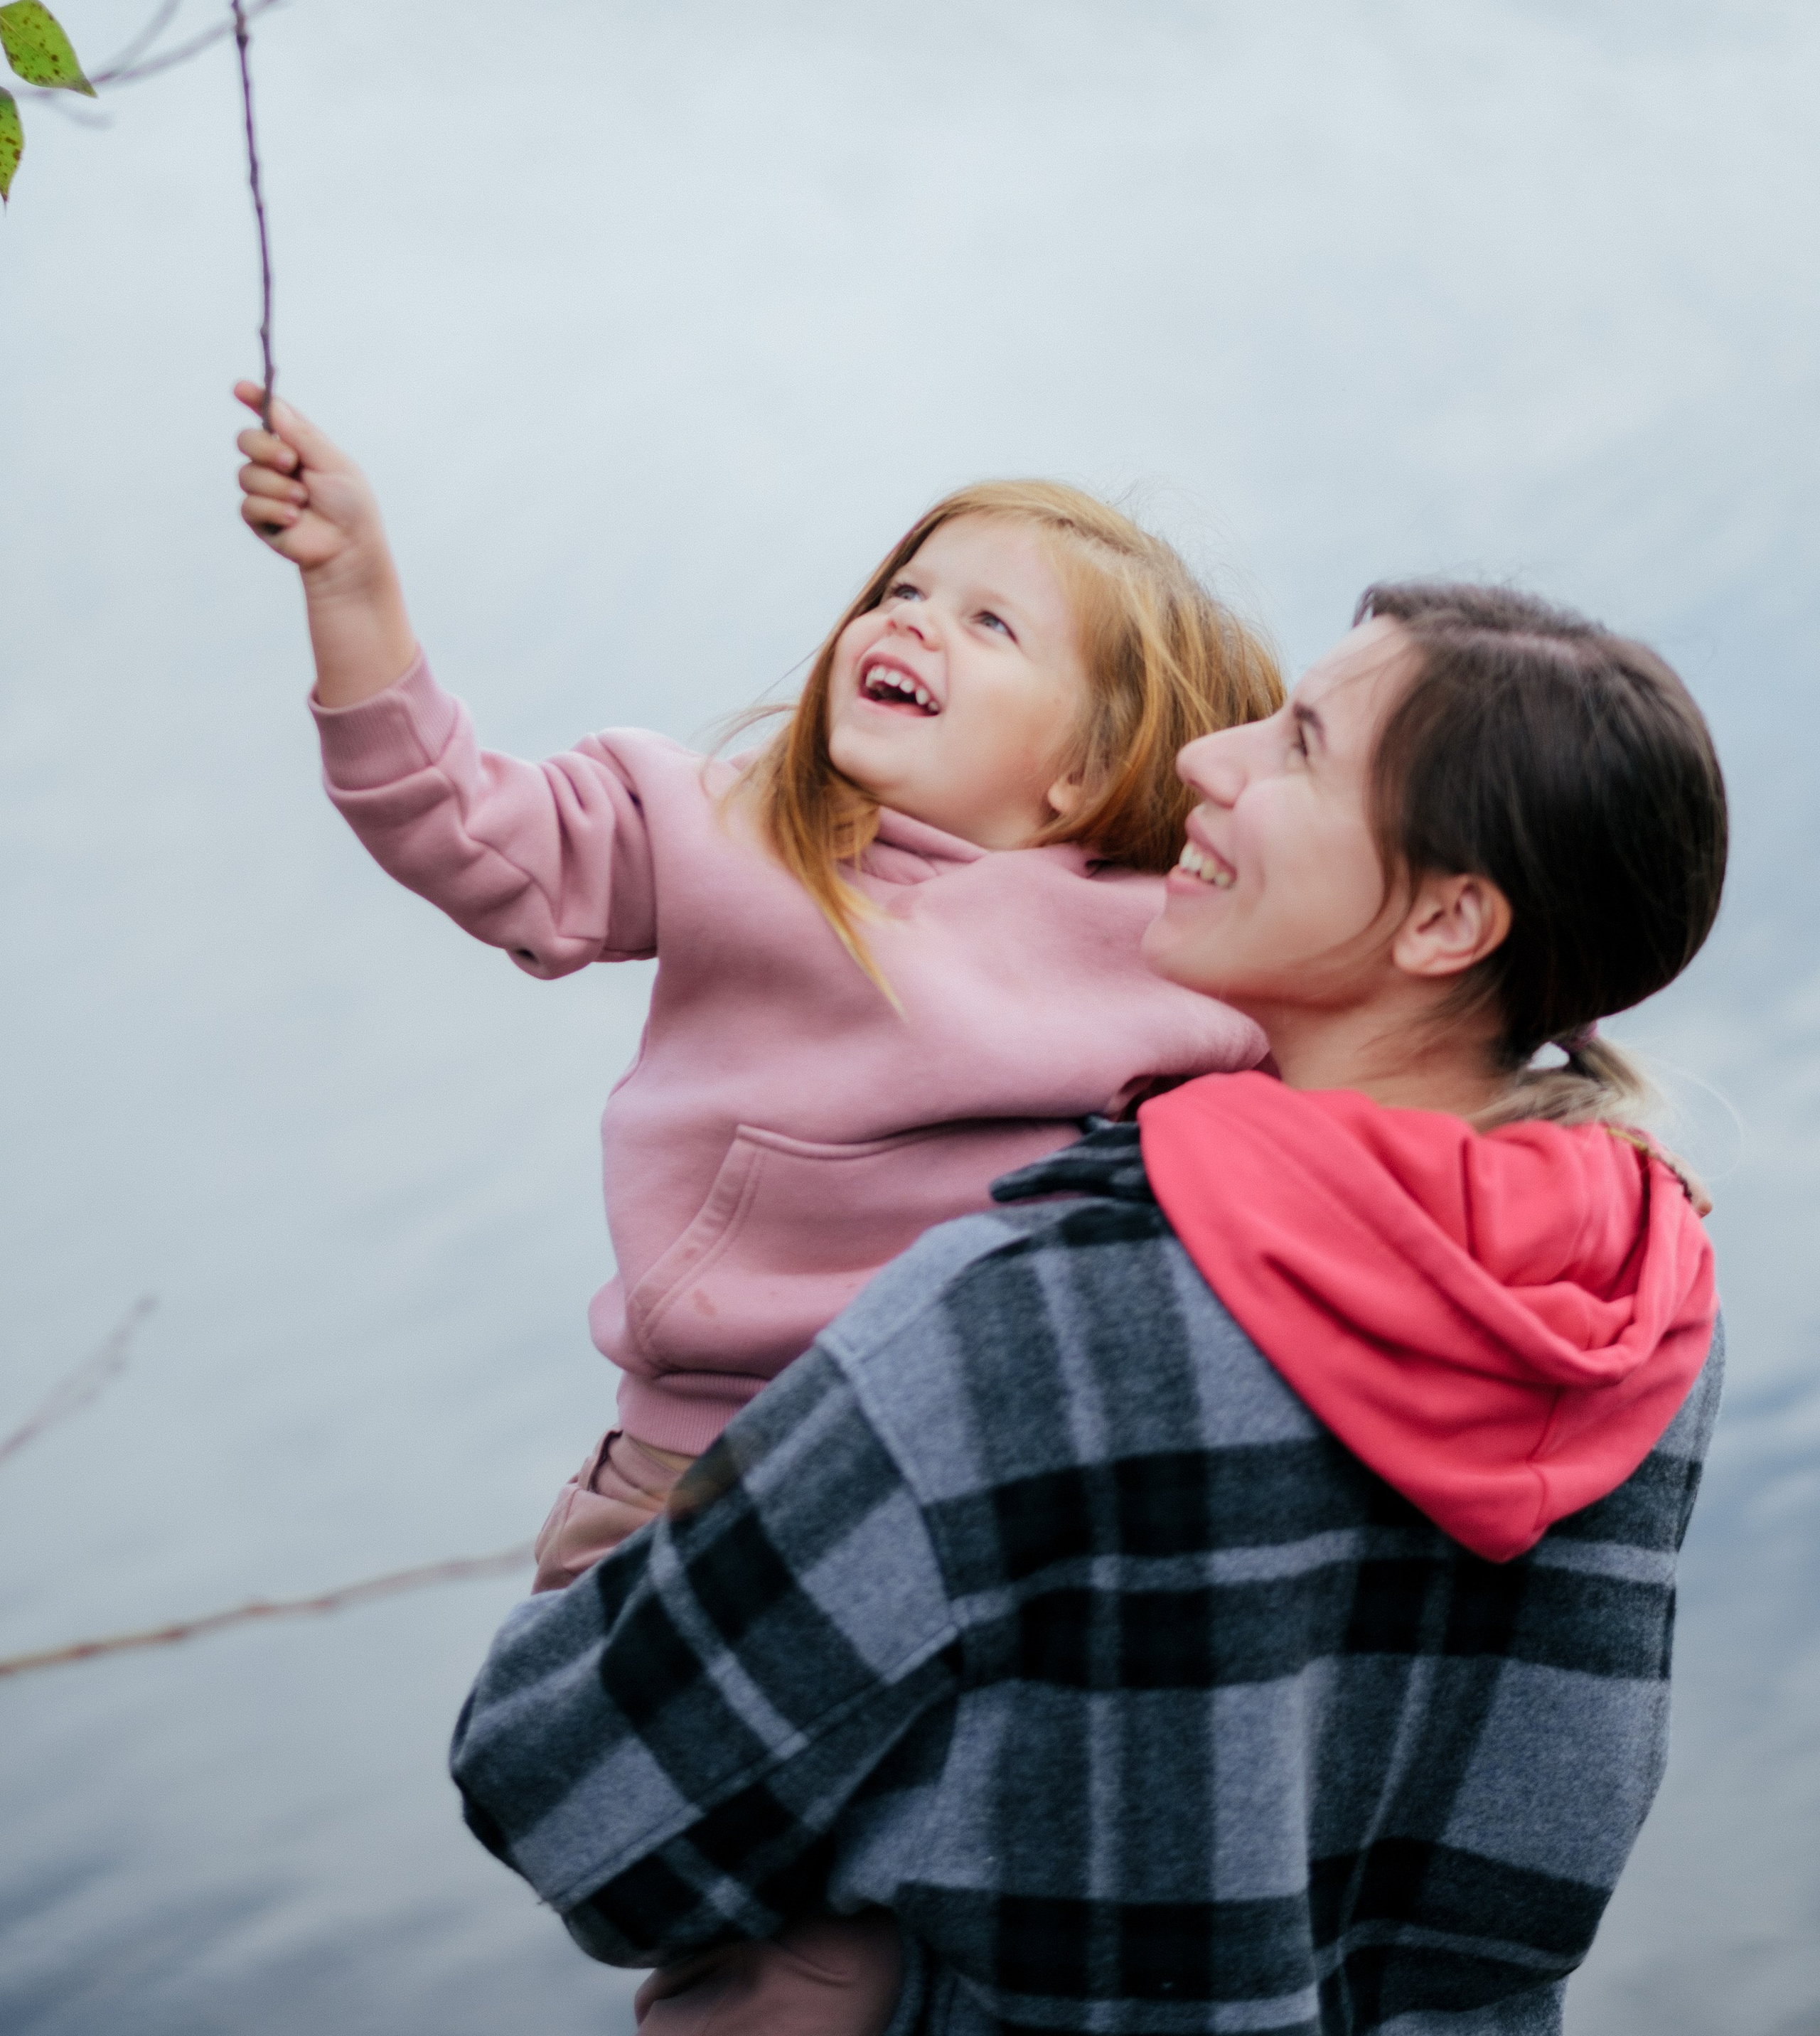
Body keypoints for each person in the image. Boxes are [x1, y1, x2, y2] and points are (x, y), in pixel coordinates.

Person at [449, 582, 1725, 2036]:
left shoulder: (1029, 1324)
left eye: (1299, 747)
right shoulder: (1641, 1302)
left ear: (1446, 920)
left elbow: (569, 1793)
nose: (1205, 759)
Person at [232, 387, 1283, 2032]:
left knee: (1010, 1922)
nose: (908, 620)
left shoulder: (1173, 952)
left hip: (970, 1518)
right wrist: (352, 581)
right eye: (903, 589)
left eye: (985, 619)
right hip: (696, 1492)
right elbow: (465, 826)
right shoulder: (732, 834)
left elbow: (1363, 1074)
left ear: (1085, 769)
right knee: (794, 1967)